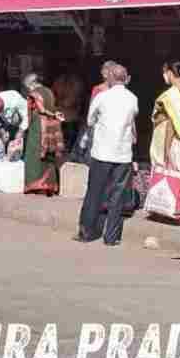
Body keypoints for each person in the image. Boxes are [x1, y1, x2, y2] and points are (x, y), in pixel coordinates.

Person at [75, 61, 139, 246]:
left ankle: (87, 233)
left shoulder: (102, 97)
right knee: (117, 196)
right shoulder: (132, 98)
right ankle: (111, 238)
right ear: (125, 79)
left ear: (111, 78)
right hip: (123, 155)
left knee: (94, 192)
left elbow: (90, 120)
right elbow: (131, 118)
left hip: (102, 153)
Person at [146, 60, 180, 218]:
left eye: (164, 72)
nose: (163, 76)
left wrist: (166, 148)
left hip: (172, 137)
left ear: (169, 72)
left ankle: (170, 208)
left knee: (172, 168)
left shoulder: (172, 94)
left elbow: (172, 123)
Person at [23, 83, 67, 195]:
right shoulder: (53, 118)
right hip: (44, 127)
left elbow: (40, 109)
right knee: (49, 159)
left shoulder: (37, 115)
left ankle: (35, 184)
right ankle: (49, 185)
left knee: (34, 157)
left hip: (37, 131)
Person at [0, 89, 30, 159]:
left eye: (0, 109)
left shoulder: (14, 97)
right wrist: (3, 132)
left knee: (26, 146)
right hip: (9, 125)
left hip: (25, 122)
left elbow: (27, 114)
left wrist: (21, 131)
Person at [53, 68, 84, 150]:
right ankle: (70, 147)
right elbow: (80, 95)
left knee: (61, 129)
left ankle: (61, 147)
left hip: (61, 109)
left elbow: (54, 93)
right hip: (71, 110)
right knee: (71, 131)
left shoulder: (59, 81)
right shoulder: (77, 81)